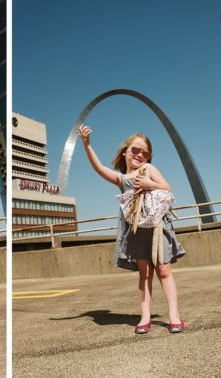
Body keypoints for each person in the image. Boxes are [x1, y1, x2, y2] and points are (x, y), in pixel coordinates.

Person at [77, 125, 186, 334]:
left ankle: (174, 316)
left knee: (164, 271)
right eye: (135, 150)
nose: (140, 154)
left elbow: (168, 188)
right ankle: (145, 317)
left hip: (156, 227)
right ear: (125, 152)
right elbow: (99, 168)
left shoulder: (149, 170)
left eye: (145, 152)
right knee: (144, 274)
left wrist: (148, 183)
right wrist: (86, 144)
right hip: (136, 231)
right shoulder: (121, 179)